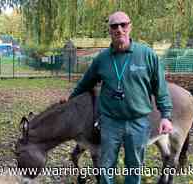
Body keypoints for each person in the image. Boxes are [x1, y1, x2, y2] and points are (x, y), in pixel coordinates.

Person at [64, 11, 173, 184]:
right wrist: (69, 102)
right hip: (110, 122)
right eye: (114, 26)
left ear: (130, 26)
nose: (119, 29)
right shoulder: (102, 59)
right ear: (109, 30)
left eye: (123, 24)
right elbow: (84, 84)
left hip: (138, 122)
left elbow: (160, 88)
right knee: (106, 166)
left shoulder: (147, 55)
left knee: (134, 166)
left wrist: (166, 115)